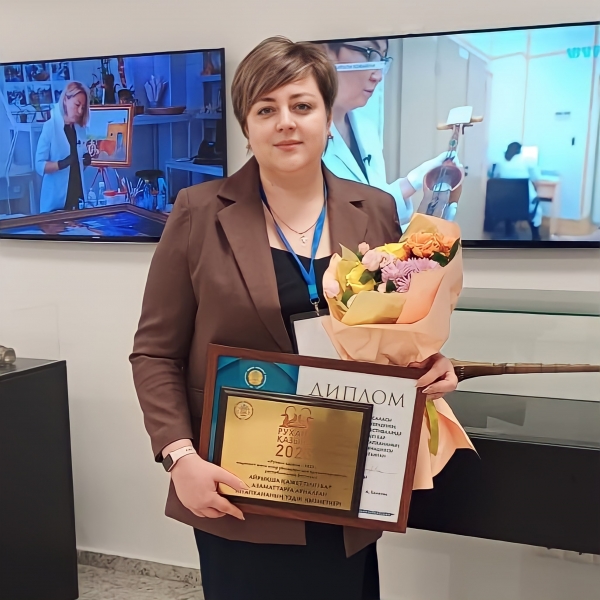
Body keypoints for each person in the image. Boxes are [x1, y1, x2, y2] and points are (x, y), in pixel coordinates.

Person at [130, 37, 459, 600]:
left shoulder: (374, 208)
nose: (285, 122)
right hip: (240, 483)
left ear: (328, 118)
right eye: (266, 109)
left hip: (346, 472)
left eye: (302, 105)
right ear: (247, 125)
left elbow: (392, 333)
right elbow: (154, 352)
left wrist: (429, 365)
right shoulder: (198, 213)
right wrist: (179, 457)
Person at [320, 39, 460, 225]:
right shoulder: (304, 138)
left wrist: (413, 181)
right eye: (369, 53)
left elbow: (374, 203)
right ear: (325, 52)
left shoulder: (366, 129)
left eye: (382, 59)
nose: (378, 76)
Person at [35, 81, 92, 213]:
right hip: (55, 203)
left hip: (77, 199)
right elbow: (39, 165)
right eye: (77, 105)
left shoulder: (80, 130)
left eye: (83, 107)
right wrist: (61, 164)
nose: (80, 111)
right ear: (66, 100)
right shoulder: (50, 127)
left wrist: (85, 162)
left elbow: (76, 168)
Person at [491, 141, 542, 240]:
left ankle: (508, 229)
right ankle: (535, 236)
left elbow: (494, 177)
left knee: (509, 203)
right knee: (536, 207)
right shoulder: (528, 160)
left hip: (503, 203)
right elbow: (537, 177)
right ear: (520, 151)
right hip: (524, 205)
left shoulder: (499, 163)